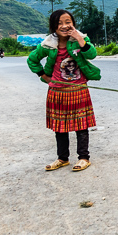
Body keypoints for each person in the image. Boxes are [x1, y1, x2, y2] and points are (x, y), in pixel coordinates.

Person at [26, 9, 100, 171]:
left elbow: (92, 54)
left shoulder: (80, 38)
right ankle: (62, 158)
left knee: (81, 125)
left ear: (73, 24)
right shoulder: (48, 45)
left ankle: (83, 158)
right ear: (53, 27)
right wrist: (44, 77)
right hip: (57, 92)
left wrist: (80, 39)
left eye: (68, 22)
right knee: (60, 127)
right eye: (59, 23)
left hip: (78, 90)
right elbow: (32, 59)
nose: (64, 26)